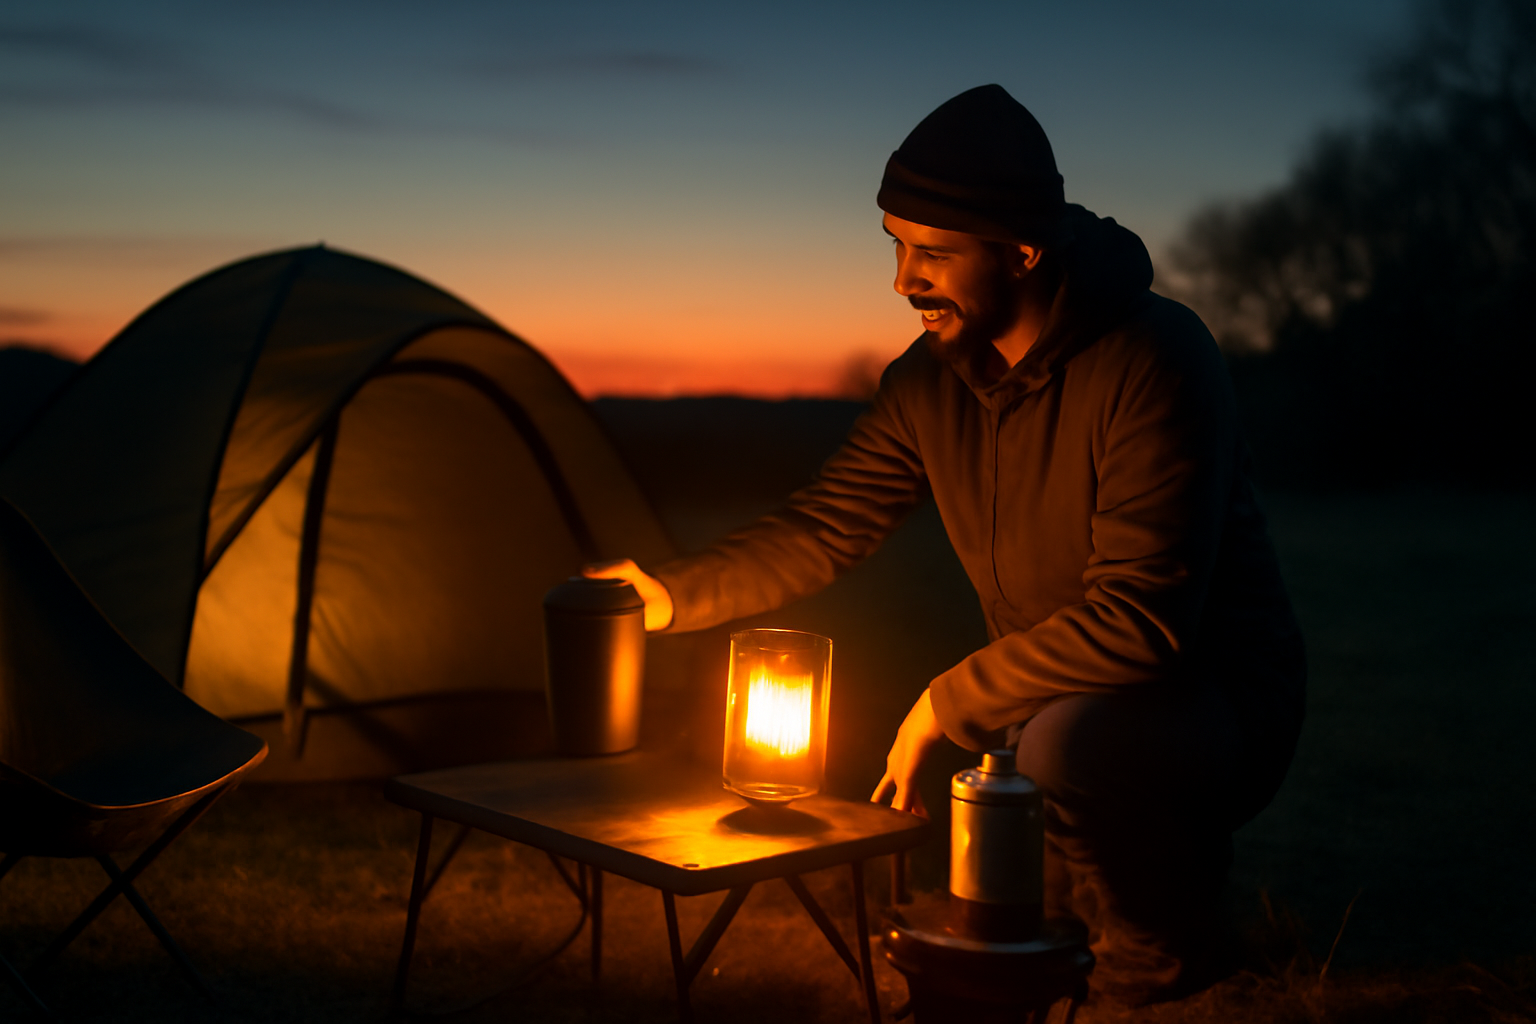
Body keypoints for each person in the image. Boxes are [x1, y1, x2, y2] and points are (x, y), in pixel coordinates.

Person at [588, 84, 1305, 1005]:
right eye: (895, 244)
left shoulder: (1157, 359)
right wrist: (670, 593)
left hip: (1209, 701)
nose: (902, 280)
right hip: (1044, 702)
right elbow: (825, 524)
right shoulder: (926, 386)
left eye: (932, 251)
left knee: (1067, 759)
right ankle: (1099, 889)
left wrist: (944, 703)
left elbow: (1142, 621)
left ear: (1023, 251)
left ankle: (1162, 959)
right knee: (1021, 901)